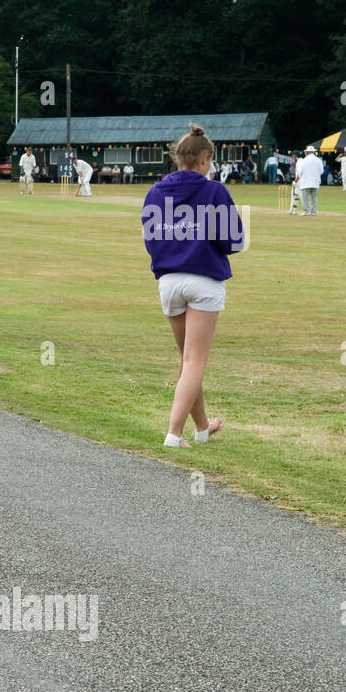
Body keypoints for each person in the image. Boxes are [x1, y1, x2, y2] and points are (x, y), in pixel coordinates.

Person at [141, 123, 243, 449]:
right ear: (204, 159)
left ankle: (202, 428)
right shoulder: (215, 191)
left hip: (168, 282)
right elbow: (234, 241)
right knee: (195, 361)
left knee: (187, 362)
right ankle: (173, 434)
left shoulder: (156, 191)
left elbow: (152, 239)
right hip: (204, 280)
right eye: (210, 161)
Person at [296, 144, 324, 215]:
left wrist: (301, 176)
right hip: (315, 181)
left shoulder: (304, 160)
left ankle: (306, 211)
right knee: (314, 198)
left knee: (305, 198)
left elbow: (300, 171)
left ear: (307, 152)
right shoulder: (318, 160)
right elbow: (321, 171)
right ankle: (313, 211)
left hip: (306, 181)